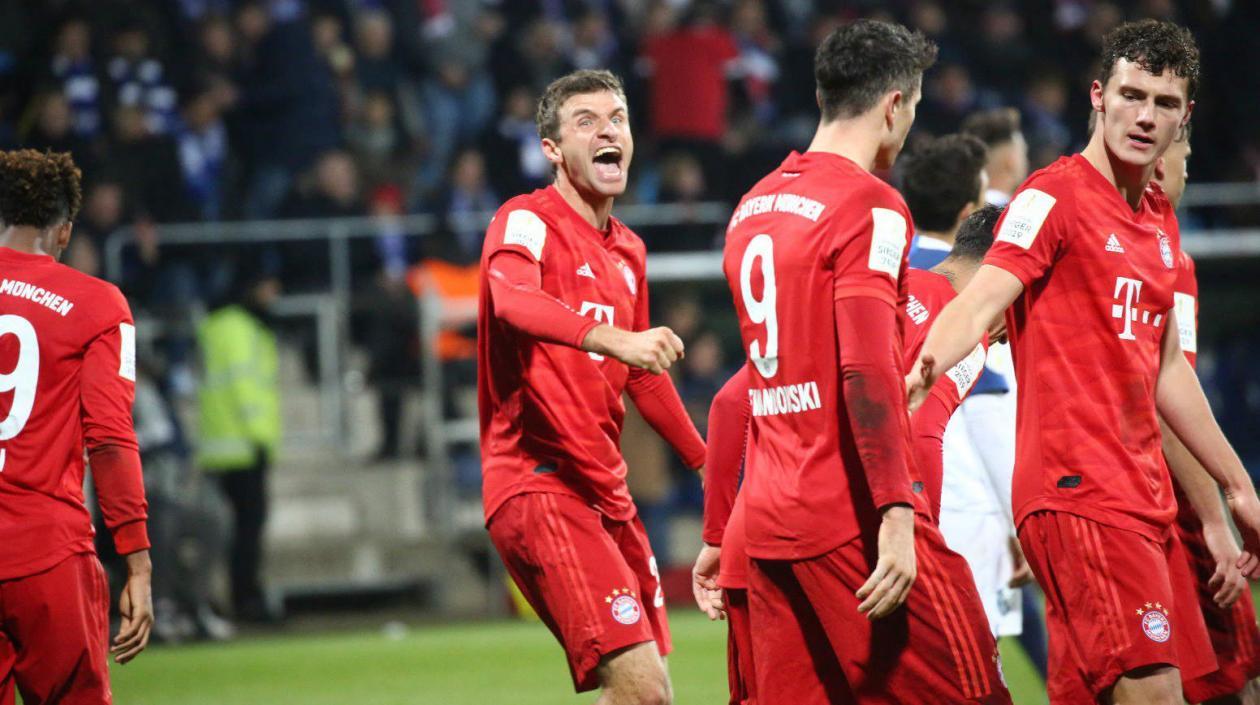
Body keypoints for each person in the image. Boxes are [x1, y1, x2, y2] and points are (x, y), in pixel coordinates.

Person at [906, 20, 1260, 704]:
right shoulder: (1053, 196)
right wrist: (920, 371)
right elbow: (980, 300)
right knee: (1159, 692)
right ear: (1098, 96)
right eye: (1131, 94)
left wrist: (1237, 485)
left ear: (1186, 115)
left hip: (1139, 498)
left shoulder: (1158, 220)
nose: (1144, 115)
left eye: (1163, 103)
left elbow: (1165, 370)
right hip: (1080, 490)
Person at [718, 20, 1009, 703]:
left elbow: (754, 388)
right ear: (894, 106)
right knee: (974, 694)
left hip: (767, 523)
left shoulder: (752, 206)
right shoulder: (871, 207)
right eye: (912, 110)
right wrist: (899, 513)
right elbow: (867, 372)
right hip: (849, 515)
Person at [478, 69, 706, 705]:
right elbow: (510, 301)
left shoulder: (628, 250)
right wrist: (613, 339)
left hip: (608, 492)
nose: (608, 131)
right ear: (552, 148)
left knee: (645, 693)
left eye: (618, 120)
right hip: (540, 481)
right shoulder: (524, 221)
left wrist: (705, 462)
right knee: (642, 690)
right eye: (586, 122)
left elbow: (642, 375)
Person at [0, 149, 153, 701]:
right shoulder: (98, 305)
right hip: (47, 555)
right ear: (65, 232)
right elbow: (111, 439)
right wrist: (137, 560)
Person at [1153, 126, 1260, 704]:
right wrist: (1216, 512)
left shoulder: (1169, 250)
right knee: (1227, 677)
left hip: (1157, 496)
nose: (1188, 169)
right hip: (1165, 504)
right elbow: (1162, 398)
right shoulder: (1160, 258)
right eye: (1184, 155)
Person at [961, 104, 1049, 681]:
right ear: (1009, 156)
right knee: (1006, 574)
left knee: (997, 585)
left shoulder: (948, 226)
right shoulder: (1011, 225)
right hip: (995, 405)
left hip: (966, 407)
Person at [196, 260, 282, 623]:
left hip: (219, 446)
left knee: (224, 532)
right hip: (244, 447)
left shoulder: (217, 326)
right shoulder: (241, 329)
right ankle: (245, 598)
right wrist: (262, 438)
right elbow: (245, 389)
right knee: (247, 530)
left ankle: (225, 597)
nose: (273, 294)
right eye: (268, 286)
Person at [961, 108, 1030, 207]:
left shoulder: (961, 211)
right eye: (1024, 154)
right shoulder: (1017, 214)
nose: (1027, 161)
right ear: (1011, 160)